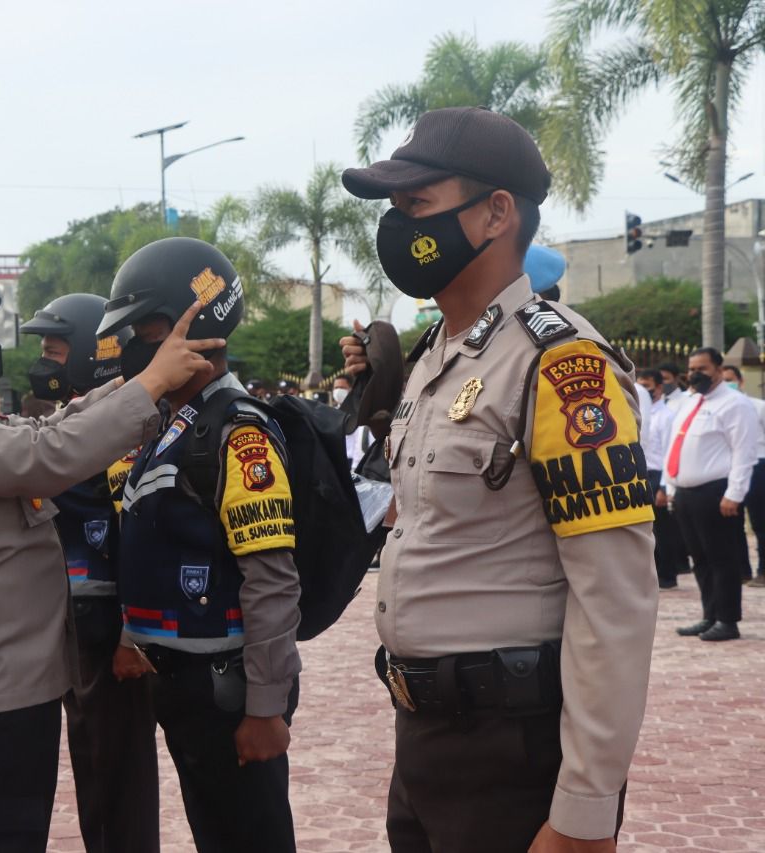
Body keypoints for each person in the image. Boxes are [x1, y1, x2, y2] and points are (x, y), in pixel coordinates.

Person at [341, 106, 658, 852]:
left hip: (511, 751)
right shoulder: (436, 358)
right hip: (427, 739)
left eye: (416, 205)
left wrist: (585, 806)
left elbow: (614, 595)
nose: (398, 225)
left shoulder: (560, 364)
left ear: (495, 213)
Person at [0, 267, 219, 852]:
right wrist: (152, 383)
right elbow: (43, 455)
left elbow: (44, 427)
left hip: (0, 679)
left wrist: (131, 381)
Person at [98, 237, 303, 853]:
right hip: (183, 683)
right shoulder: (169, 425)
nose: (136, 345)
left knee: (252, 837)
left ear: (199, 323)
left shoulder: (238, 433)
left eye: (149, 328)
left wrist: (265, 708)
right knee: (215, 832)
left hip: (231, 689)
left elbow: (272, 579)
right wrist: (133, 635)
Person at [19, 293, 160, 853]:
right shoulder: (69, 423)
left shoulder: (123, 430)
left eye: (55, 352)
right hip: (70, 625)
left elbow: (141, 539)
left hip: (109, 630)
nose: (44, 364)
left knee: (117, 778)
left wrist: (132, 633)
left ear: (89, 353)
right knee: (91, 771)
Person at [661, 348, 760, 641]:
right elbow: (674, 445)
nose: (695, 374)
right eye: (692, 368)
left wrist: (735, 494)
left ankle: (728, 620)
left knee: (722, 558)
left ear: (719, 369)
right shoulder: (692, 401)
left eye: (702, 368)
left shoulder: (734, 404)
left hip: (716, 492)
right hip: (686, 493)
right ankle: (710, 615)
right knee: (700, 559)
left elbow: (745, 453)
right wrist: (670, 486)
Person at [636, 368, 682, 588]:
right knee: (646, 531)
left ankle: (667, 575)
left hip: (658, 475)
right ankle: (651, 573)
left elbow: (670, 452)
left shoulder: (668, 416)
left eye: (647, 386)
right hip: (641, 474)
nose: (644, 390)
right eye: (640, 385)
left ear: (659, 388)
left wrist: (665, 486)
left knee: (663, 531)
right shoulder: (637, 412)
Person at [720, 364, 765, 585]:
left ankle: (763, 570)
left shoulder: (758, 406)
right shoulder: (722, 408)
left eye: (731, 379)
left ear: (741, 381)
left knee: (760, 522)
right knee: (733, 522)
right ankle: (742, 570)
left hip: (758, 465)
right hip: (731, 467)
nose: (728, 383)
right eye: (724, 379)